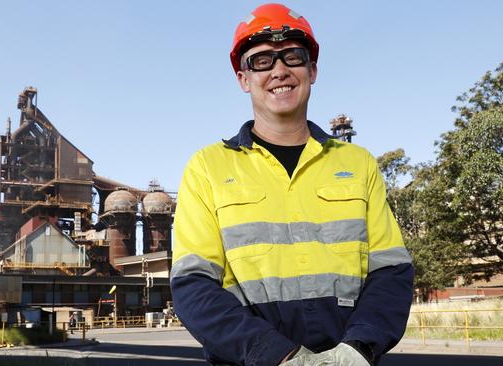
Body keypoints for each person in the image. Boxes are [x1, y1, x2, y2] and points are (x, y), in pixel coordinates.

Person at [170, 3, 414, 365]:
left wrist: (359, 348)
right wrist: (275, 355)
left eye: (292, 57)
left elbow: (391, 270)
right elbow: (193, 286)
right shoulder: (208, 167)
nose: (279, 70)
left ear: (312, 70)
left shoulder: (356, 163)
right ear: (243, 78)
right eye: (262, 60)